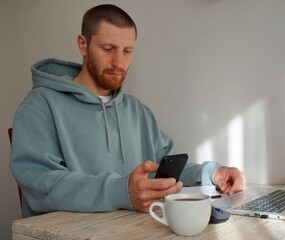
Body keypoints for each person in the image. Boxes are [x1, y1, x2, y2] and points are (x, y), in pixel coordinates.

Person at [10, 4, 245, 218]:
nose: (118, 62)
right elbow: (40, 184)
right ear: (83, 44)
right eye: (108, 48)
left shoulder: (137, 110)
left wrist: (213, 173)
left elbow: (163, 169)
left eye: (127, 51)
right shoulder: (39, 106)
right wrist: (120, 191)